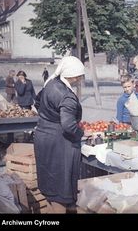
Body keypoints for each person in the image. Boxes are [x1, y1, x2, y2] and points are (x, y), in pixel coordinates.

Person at [34, 56, 85, 213]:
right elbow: (69, 126)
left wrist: (50, 117)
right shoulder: (66, 95)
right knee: (60, 192)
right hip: (59, 144)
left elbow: (37, 103)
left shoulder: (50, 84)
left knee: (50, 187)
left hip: (43, 137)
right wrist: (81, 133)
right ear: (75, 76)